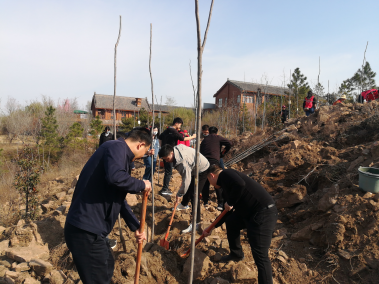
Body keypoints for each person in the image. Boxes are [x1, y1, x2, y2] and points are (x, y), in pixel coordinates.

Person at [64, 128, 154, 284]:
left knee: (106, 266)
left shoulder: (119, 154)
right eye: (145, 151)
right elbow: (115, 178)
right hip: (85, 230)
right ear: (141, 145)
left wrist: (136, 227)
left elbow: (119, 199)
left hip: (90, 230)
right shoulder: (116, 148)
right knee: (99, 277)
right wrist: (141, 184)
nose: (143, 155)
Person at [204, 165, 277, 284]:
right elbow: (226, 212)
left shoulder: (226, 174)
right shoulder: (226, 186)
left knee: (260, 255)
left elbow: (240, 184)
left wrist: (231, 202)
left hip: (263, 213)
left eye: (209, 181)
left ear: (212, 176)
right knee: (231, 221)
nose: (211, 184)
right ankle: (236, 254)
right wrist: (211, 228)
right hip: (250, 213)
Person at [159, 144, 209, 234]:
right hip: (194, 167)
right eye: (164, 159)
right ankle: (184, 204)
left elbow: (187, 180)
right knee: (188, 187)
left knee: (194, 195)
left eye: (167, 159)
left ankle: (196, 223)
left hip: (202, 169)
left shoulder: (182, 163)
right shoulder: (175, 150)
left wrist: (179, 194)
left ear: (171, 153)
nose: (166, 161)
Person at [158, 118, 196, 196]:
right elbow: (182, 138)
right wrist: (192, 137)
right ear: (176, 123)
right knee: (168, 171)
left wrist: (162, 147)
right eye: (180, 125)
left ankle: (166, 187)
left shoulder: (167, 130)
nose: (179, 127)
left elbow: (160, 138)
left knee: (168, 170)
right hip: (170, 154)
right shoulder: (173, 130)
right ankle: (165, 189)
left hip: (165, 152)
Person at [200, 126, 232, 211]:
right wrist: (222, 153)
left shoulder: (204, 140)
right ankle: (220, 204)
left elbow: (200, 151)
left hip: (204, 162)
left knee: (205, 182)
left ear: (209, 132)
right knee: (218, 181)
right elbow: (229, 143)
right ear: (217, 133)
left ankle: (205, 202)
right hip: (214, 161)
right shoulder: (218, 137)